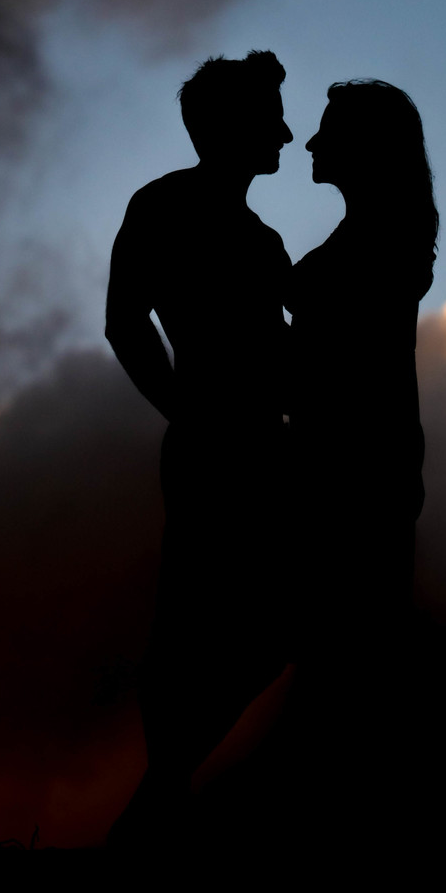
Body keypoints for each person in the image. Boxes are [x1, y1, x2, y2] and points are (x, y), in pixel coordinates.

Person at [105, 49, 294, 838]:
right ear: (227, 128)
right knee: (191, 625)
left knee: (270, 622)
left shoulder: (263, 239)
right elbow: (125, 320)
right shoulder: (165, 206)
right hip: (216, 447)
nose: (285, 133)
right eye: (268, 118)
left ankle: (157, 803)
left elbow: (285, 354)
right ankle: (158, 809)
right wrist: (184, 408)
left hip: (268, 450)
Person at [287, 80, 437, 774]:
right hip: (345, 461)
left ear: (367, 147)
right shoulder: (377, 234)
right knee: (337, 653)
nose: (312, 143)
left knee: (348, 655)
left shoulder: (383, 240)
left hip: (358, 467)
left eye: (328, 132)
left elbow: (342, 355)